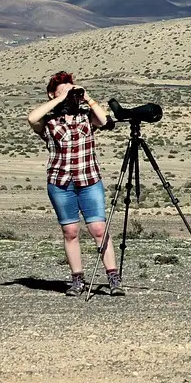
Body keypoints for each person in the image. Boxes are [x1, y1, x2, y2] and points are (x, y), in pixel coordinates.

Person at [27, 71, 125, 297]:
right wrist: (58, 99)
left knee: (98, 228)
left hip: (89, 179)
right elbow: (32, 119)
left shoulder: (86, 116)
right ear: (52, 94)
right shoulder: (49, 121)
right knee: (70, 231)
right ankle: (77, 279)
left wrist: (87, 98)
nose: (70, 94)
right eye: (64, 90)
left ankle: (113, 277)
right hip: (60, 182)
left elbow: (104, 121)